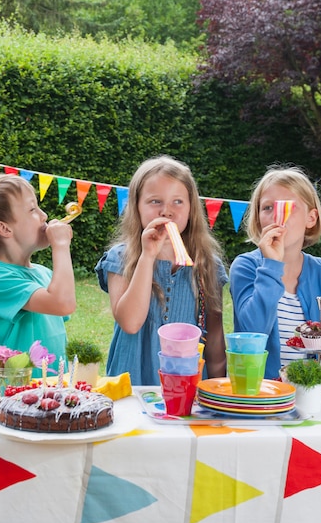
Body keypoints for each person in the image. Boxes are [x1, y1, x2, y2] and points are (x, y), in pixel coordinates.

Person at [95, 155, 227, 386]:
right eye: (155, 201)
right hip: (132, 384)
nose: (167, 211)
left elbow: (214, 338)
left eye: (178, 201)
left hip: (189, 388)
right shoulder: (121, 258)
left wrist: (218, 390)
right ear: (136, 206)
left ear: (191, 209)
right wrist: (147, 256)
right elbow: (130, 322)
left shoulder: (208, 264)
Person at [230, 164, 321, 380]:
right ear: (258, 219)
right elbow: (253, 331)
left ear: (311, 218)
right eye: (268, 208)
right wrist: (271, 265)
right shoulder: (245, 267)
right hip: (262, 393)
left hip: (316, 393)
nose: (278, 217)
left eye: (287, 208)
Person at [0, 173, 75, 372]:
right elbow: (63, 303)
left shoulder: (43, 273)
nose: (44, 215)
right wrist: (61, 245)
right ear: (4, 228)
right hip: (15, 391)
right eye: (32, 209)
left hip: (51, 390)